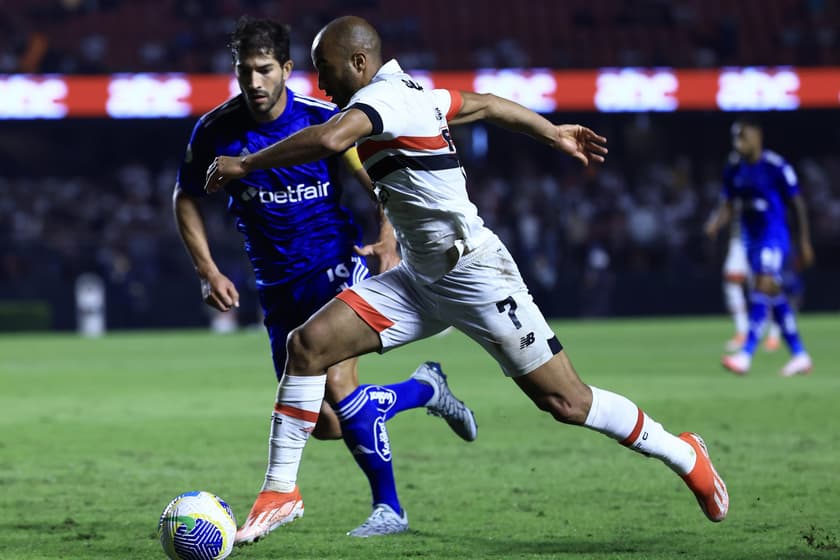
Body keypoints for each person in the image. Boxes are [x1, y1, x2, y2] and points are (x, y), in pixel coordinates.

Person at [205, 16, 729, 545]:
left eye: (326, 70)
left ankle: (684, 453)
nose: (321, 85)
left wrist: (247, 164)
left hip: (475, 275)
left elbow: (331, 137)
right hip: (420, 278)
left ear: (359, 64)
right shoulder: (416, 95)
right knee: (309, 345)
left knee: (567, 403)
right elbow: (486, 104)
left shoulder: (386, 101)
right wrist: (552, 132)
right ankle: (281, 492)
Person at [174, 16, 478, 538]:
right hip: (276, 290)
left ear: (287, 69)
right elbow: (186, 196)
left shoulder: (324, 119)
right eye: (244, 71)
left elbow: (379, 178)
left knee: (339, 385)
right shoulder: (215, 130)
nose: (254, 82)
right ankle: (422, 388)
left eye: (265, 70)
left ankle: (391, 510)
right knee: (328, 425)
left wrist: (387, 238)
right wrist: (207, 269)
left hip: (335, 270)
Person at [705, 116, 814, 376]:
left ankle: (746, 354)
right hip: (751, 240)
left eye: (743, 136)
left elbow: (797, 204)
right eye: (735, 137)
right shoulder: (734, 168)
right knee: (773, 293)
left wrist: (804, 240)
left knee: (762, 285)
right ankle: (800, 354)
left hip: (774, 235)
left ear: (757, 136)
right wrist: (715, 223)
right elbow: (729, 203)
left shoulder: (776, 166)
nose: (738, 142)